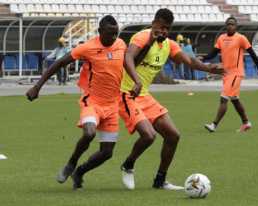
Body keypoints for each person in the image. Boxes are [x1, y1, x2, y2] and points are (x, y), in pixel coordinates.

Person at [26, 15, 141, 190]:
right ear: (100, 31)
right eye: (110, 34)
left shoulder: (120, 45)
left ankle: (79, 172)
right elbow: (60, 63)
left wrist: (136, 81)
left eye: (116, 33)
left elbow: (125, 62)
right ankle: (71, 163)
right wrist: (37, 87)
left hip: (112, 105)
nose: (114, 37)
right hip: (92, 102)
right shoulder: (87, 47)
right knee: (89, 133)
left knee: (107, 153)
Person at [119, 8, 224, 190]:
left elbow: (189, 61)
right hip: (126, 94)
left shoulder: (168, 44)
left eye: (167, 28)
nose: (164, 32)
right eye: (161, 27)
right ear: (154, 23)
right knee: (149, 136)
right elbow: (127, 57)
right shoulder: (141, 37)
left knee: (173, 135)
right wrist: (136, 80)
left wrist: (209, 68)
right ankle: (128, 165)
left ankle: (160, 180)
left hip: (144, 95)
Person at [201, 16, 258, 133]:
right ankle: (246, 122)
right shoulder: (221, 38)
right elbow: (212, 54)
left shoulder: (241, 38)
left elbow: (252, 53)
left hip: (236, 73)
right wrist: (203, 58)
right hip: (226, 74)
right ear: (226, 26)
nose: (230, 26)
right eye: (228, 24)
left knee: (223, 98)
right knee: (234, 100)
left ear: (236, 26)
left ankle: (214, 125)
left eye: (232, 24)